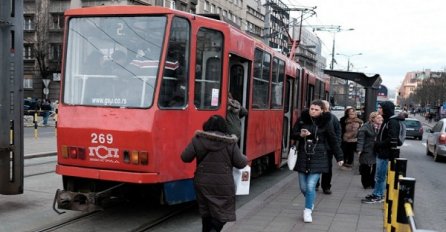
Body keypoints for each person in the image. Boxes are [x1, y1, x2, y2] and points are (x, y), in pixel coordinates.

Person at [181, 115, 247, 232]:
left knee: (206, 212)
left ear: (207, 125)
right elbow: (241, 163)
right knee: (223, 213)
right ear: (224, 127)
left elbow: (185, 157)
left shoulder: (198, 139)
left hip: (203, 182)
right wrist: (244, 157)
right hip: (223, 184)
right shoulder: (230, 142)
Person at [291, 99, 344, 223]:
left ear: (322, 111)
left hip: (319, 156)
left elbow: (333, 139)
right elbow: (293, 134)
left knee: (310, 186)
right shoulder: (303, 118)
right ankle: (310, 202)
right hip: (303, 155)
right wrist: (301, 135)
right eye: (311, 109)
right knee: (303, 187)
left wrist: (339, 157)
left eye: (316, 109)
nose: (313, 111)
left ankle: (307, 210)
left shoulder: (326, 122)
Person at [362, 101, 402, 204]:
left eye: (381, 108)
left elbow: (392, 138)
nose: (379, 110)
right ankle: (377, 193)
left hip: (385, 153)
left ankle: (378, 195)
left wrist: (378, 144)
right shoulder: (388, 120)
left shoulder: (392, 122)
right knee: (379, 175)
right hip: (382, 152)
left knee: (380, 176)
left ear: (386, 109)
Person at [317, 100, 342, 195]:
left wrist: (336, 146)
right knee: (315, 166)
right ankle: (315, 184)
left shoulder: (333, 118)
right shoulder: (315, 118)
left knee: (327, 168)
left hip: (328, 148)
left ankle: (326, 186)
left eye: (325, 108)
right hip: (317, 147)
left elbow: (338, 132)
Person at [356, 112, 383, 189]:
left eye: (381, 118)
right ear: (373, 119)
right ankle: (365, 183)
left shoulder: (382, 127)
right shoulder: (365, 127)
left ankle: (373, 183)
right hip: (367, 150)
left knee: (375, 167)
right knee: (365, 167)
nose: (380, 119)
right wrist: (359, 149)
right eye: (378, 118)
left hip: (377, 150)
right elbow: (361, 139)